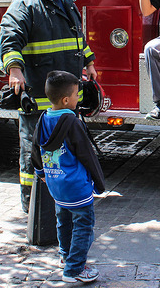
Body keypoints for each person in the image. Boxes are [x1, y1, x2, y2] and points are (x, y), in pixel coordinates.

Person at [0, 0, 97, 213]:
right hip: (39, 103)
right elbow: (9, 42)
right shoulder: (24, 7)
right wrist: (14, 69)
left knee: (66, 154)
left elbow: (79, 40)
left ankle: (63, 201)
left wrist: (89, 63)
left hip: (67, 102)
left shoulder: (67, 3)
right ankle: (32, 208)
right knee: (34, 154)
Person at [31, 71, 104, 283]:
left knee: (63, 222)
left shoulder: (43, 118)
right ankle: (74, 270)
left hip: (56, 185)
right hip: (77, 188)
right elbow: (87, 156)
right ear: (66, 99)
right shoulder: (73, 123)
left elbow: (35, 150)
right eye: (76, 95)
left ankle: (65, 257)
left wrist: (41, 173)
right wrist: (99, 184)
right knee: (83, 227)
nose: (78, 99)